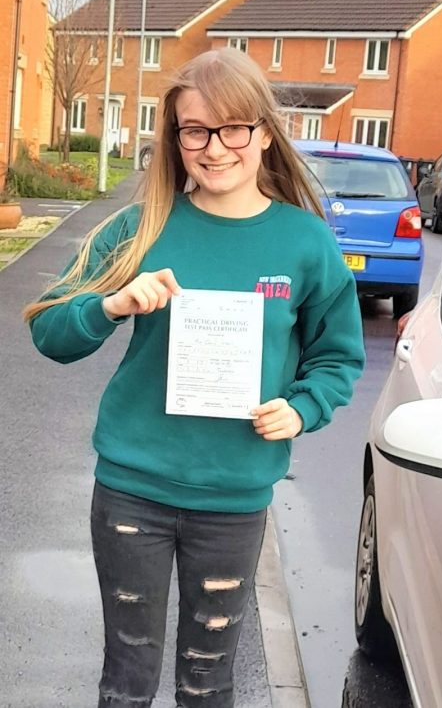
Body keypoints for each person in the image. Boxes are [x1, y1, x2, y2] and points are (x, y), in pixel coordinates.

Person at [24, 48, 366, 708]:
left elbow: (338, 355)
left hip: (233, 501)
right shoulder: (141, 227)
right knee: (126, 683)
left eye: (232, 127)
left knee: (207, 683)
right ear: (175, 138)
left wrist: (303, 407)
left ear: (264, 132)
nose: (214, 147)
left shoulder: (304, 243)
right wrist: (112, 303)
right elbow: (50, 330)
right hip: (131, 493)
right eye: (194, 130)